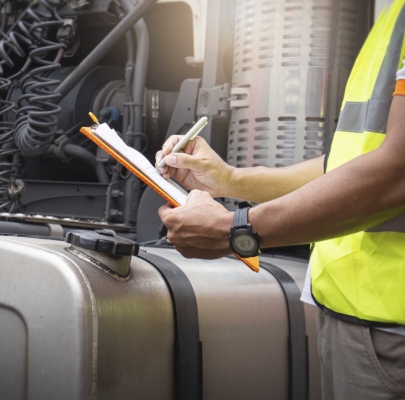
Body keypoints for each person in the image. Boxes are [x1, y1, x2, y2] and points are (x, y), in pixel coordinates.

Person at [155, 1, 405, 399]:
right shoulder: (395, 16)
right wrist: (229, 179)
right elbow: (346, 165)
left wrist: (233, 231)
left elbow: (397, 174)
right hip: (357, 323)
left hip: (393, 335)